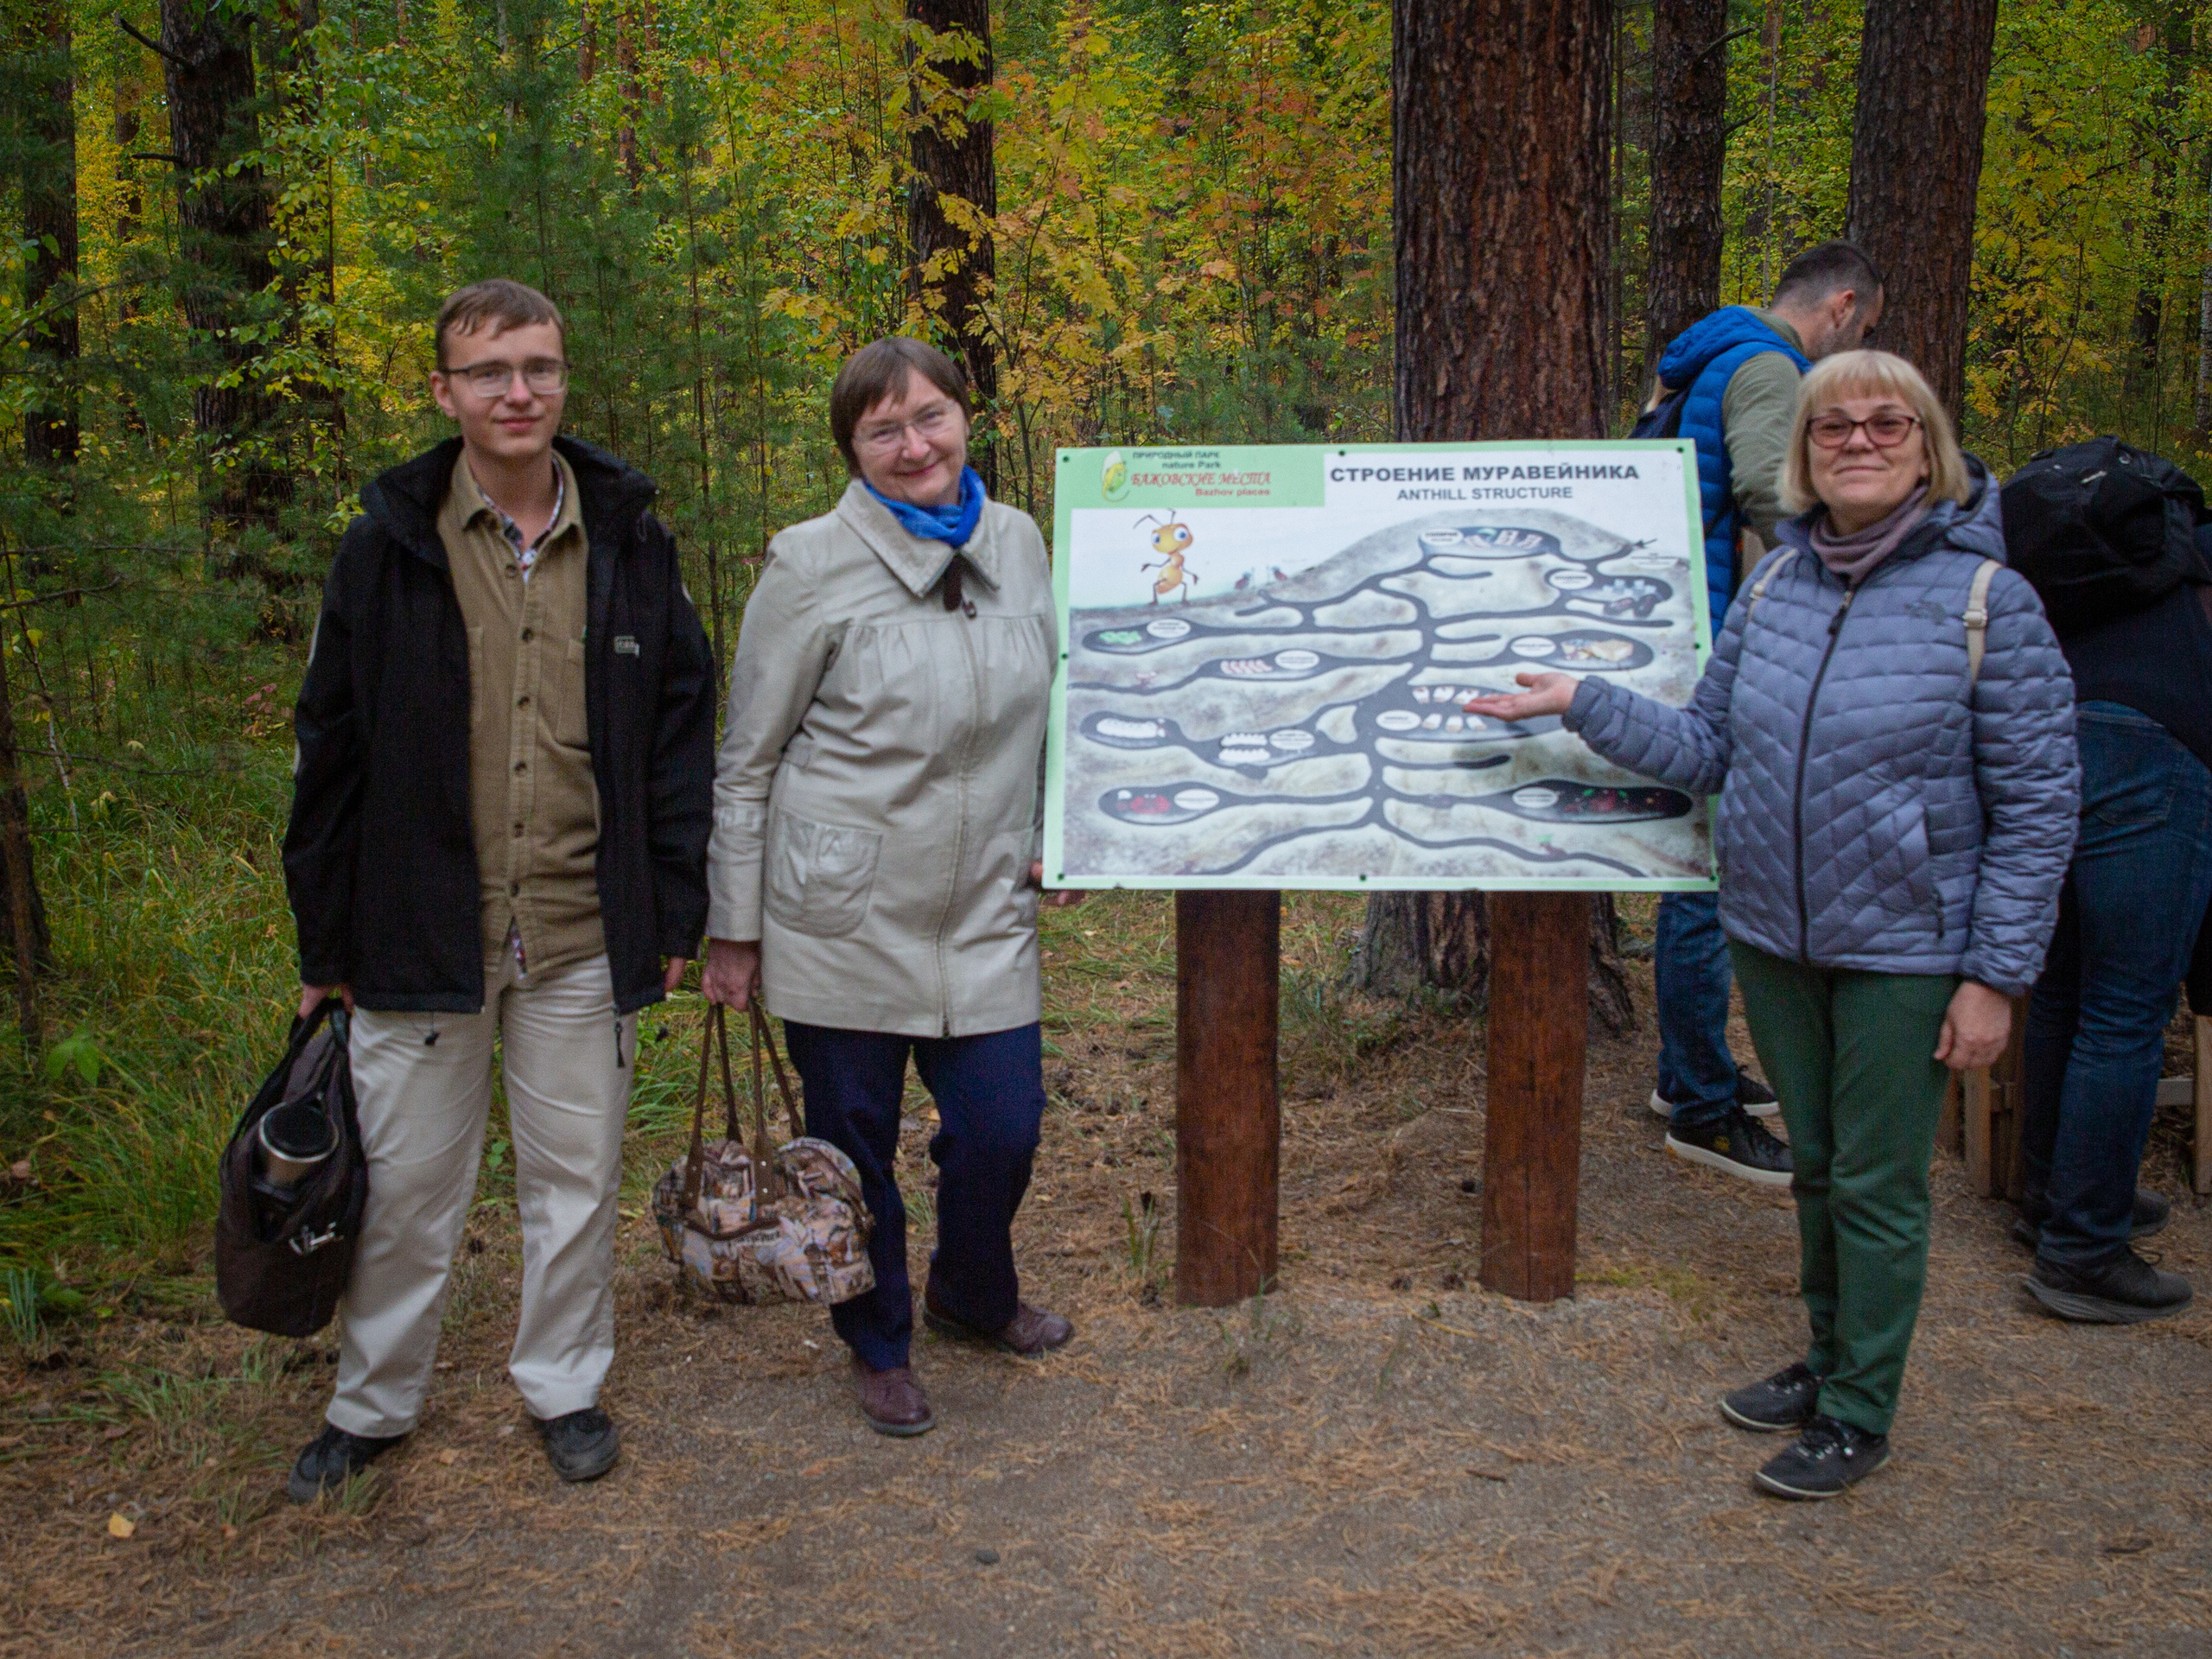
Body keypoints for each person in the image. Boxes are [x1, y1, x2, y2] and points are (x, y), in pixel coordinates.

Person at [1469, 350, 2078, 1499]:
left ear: (1927, 443)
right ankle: (1828, 1355)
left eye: (1885, 421)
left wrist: (1995, 976)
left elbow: (2041, 811)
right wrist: (1578, 701)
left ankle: (1860, 1410)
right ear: (1800, 452)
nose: (1858, 440)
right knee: (1818, 1174)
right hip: (1774, 935)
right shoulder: (1772, 590)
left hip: (1908, 950)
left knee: (1878, 1184)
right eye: (1832, 424)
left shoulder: (1992, 603)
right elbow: (1707, 751)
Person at [281, 279, 715, 1498]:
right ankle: (372, 1405)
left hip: (583, 928)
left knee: (574, 1182)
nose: (517, 392)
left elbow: (681, 734)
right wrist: (326, 939)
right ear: (446, 392)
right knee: (409, 1188)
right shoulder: (387, 548)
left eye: (538, 367)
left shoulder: (632, 541)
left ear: (564, 378)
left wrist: (674, 910)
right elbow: (330, 752)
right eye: (488, 372)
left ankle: (566, 1385)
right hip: (417, 934)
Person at [701, 337, 1080, 1438]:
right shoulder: (806, 564)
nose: (915, 445)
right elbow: (748, 757)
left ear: (968, 419)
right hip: (842, 910)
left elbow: (1060, 706)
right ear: (853, 448)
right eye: (884, 430)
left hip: (982, 907)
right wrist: (735, 927)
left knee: (1004, 1130)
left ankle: (973, 1291)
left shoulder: (1017, 542)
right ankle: (877, 1339)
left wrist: (1068, 828)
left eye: (931, 418)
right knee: (852, 1148)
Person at [1642, 241, 1887, 1185]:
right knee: (1706, 870)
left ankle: (1687, 1072)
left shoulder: (1697, 361)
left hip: (1673, 627)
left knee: (1694, 866)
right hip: (1708, 640)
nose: (1851, 346)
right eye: (1858, 330)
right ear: (1840, 306)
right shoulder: (1768, 367)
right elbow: (1765, 499)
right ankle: (1700, 1108)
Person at [2013, 505, 2212, 1322]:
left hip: (2053, 743)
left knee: (2063, 989)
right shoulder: (2187, 554)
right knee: (2126, 1013)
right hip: (2155, 752)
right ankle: (2084, 1250)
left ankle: (2050, 1199)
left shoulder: (2109, 542)